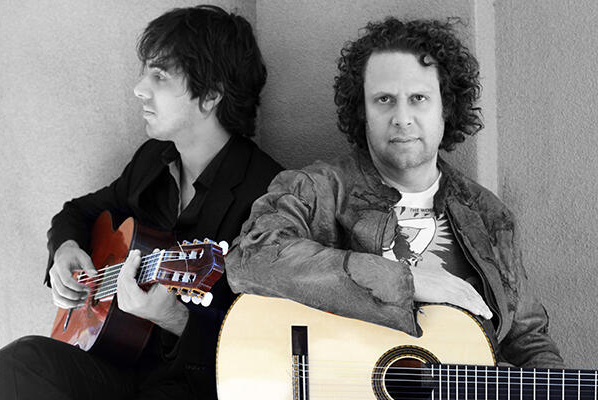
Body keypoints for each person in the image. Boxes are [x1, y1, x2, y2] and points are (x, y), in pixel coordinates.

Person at [226, 18, 563, 368]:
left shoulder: (488, 215)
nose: (402, 118)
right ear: (363, 111)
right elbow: (250, 260)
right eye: (384, 99)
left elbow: (528, 340)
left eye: (418, 98)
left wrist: (555, 383)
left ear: (446, 107)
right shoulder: (317, 189)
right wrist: (405, 281)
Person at [0, 5, 282, 399]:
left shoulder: (270, 193)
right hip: (116, 360)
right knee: (18, 363)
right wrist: (65, 250)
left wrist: (175, 318)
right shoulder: (153, 159)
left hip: (195, 384)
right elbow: (79, 212)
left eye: (159, 76)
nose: (139, 89)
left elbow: (270, 344)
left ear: (211, 94)